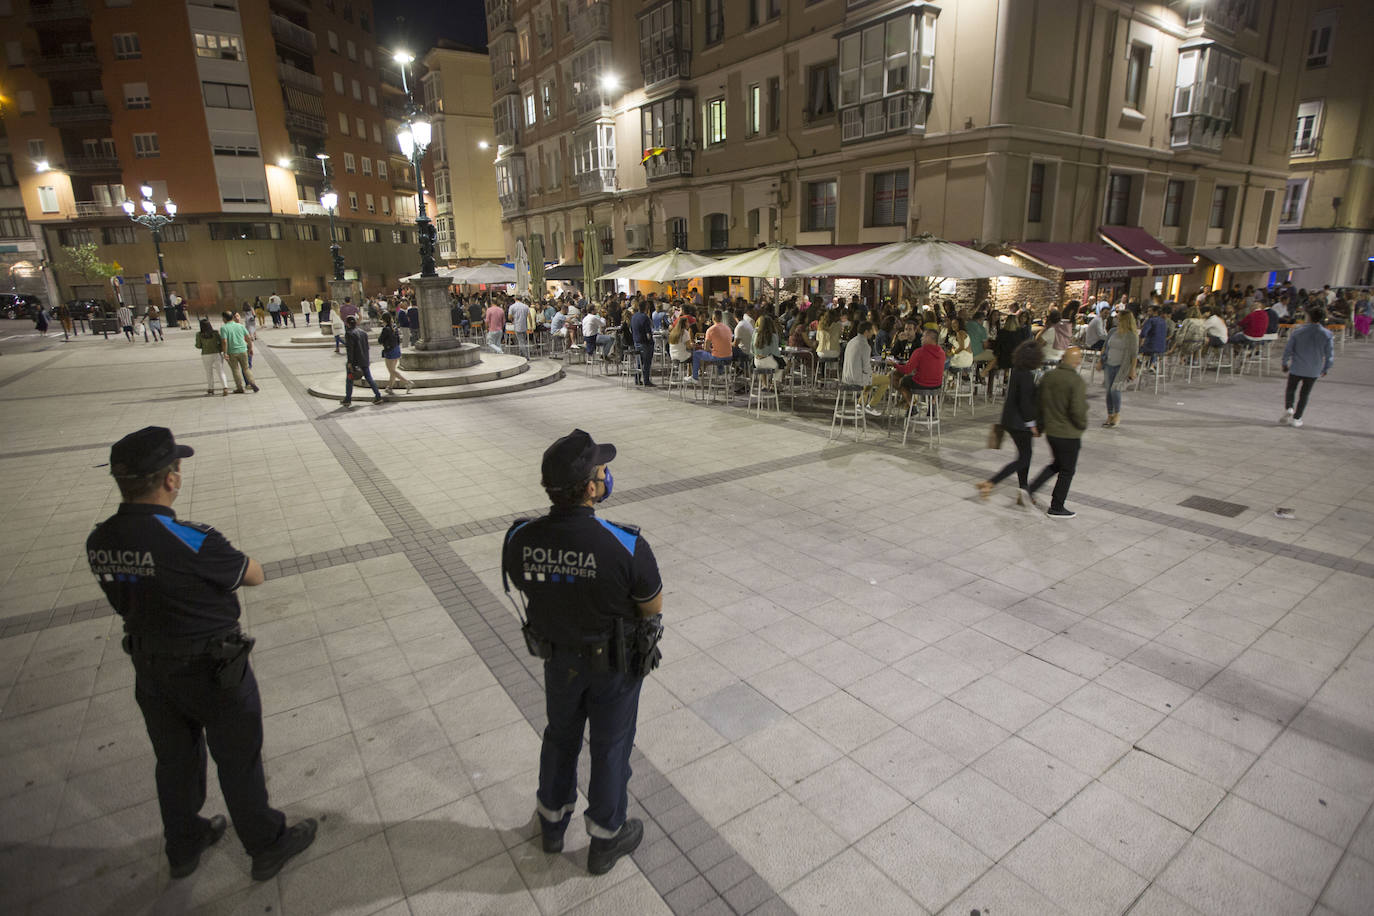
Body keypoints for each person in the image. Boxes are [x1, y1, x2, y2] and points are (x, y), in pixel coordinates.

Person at [86, 427, 317, 882]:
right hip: (213, 669)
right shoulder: (190, 538)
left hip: (151, 667)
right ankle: (266, 845)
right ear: (170, 480)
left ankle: (184, 843)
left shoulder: (100, 539)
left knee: (173, 759)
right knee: (237, 758)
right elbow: (253, 575)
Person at [501, 429, 663, 875]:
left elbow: (521, 583)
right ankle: (606, 839)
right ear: (591, 488)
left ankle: (552, 825)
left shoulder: (519, 539)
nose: (607, 476)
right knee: (610, 747)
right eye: (603, 470)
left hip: (559, 662)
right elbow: (651, 605)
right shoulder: (626, 545)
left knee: (560, 737)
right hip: (614, 667)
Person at [979, 339, 1043, 505]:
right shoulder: (1026, 375)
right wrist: (1032, 424)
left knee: (1023, 456)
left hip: (1010, 420)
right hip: (1020, 423)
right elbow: (1025, 402)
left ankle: (1023, 493)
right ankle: (991, 483)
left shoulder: (1017, 370)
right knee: (1024, 459)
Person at [1026, 346, 1088, 518]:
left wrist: (1039, 425)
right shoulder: (1076, 381)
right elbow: (1078, 410)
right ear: (1075, 361)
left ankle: (1030, 489)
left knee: (1057, 465)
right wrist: (1082, 425)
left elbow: (1039, 402)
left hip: (1052, 432)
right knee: (1067, 470)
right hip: (1068, 433)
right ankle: (1057, 506)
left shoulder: (1049, 376)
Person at [1281, 305, 1334, 428]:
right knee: (1304, 394)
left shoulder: (1298, 331)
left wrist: (1285, 362)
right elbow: (1330, 354)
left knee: (1291, 389)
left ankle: (1289, 407)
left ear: (1309, 317)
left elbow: (1288, 349)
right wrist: (1326, 367)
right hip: (1313, 369)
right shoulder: (1327, 334)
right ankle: (1297, 418)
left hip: (1297, 367)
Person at [1101, 310, 1139, 428]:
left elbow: (1134, 354)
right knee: (1108, 391)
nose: (1116, 320)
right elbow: (1105, 347)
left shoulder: (1131, 335)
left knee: (1115, 389)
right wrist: (1101, 361)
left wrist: (1132, 369)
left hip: (1122, 367)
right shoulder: (1112, 331)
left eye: (1119, 318)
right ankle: (1110, 415)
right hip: (1109, 364)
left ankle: (1117, 413)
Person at [891, 329, 945, 403]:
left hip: (922, 384)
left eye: (923, 336)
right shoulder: (942, 352)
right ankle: (932, 405)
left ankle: (912, 405)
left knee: (903, 381)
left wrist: (894, 364)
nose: (921, 338)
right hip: (937, 385)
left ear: (929, 338)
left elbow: (907, 370)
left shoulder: (920, 351)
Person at [342, 313, 383, 406]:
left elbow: (350, 349)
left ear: (347, 324)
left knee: (349, 379)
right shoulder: (363, 332)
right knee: (369, 378)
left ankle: (348, 399)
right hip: (364, 359)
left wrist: (349, 362)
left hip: (355, 362)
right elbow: (367, 347)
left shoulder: (349, 334)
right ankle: (378, 395)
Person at [841, 320, 880, 416]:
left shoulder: (851, 341)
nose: (873, 333)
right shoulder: (865, 346)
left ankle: (861, 402)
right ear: (866, 332)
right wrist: (872, 372)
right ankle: (871, 405)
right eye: (871, 331)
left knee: (872, 377)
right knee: (886, 380)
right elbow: (866, 368)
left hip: (846, 377)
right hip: (857, 379)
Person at [220, 313, 259, 393]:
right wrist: (250, 348)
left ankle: (239, 387)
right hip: (243, 350)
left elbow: (224, 341)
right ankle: (252, 383)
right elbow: (248, 337)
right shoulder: (240, 326)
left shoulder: (224, 328)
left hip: (231, 352)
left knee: (235, 370)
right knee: (246, 368)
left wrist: (225, 352)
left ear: (225, 319)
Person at [377, 313, 414, 395]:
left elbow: (380, 340)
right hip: (396, 349)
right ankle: (389, 387)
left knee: (391, 371)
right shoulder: (394, 327)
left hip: (390, 351)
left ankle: (407, 382)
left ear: (383, 320)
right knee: (393, 370)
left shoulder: (386, 329)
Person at [692, 310, 734, 380]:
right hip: (729, 357)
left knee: (696, 354)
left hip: (717, 358)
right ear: (721, 318)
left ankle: (694, 377)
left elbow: (706, 348)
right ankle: (721, 373)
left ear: (713, 318)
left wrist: (710, 349)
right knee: (718, 352)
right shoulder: (728, 328)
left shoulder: (711, 329)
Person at [195, 318, 230, 396]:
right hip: (216, 354)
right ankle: (225, 387)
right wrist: (221, 350)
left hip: (205, 355)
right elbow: (221, 343)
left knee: (208, 372)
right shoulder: (215, 333)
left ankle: (211, 389)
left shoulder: (199, 334)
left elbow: (198, 345)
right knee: (221, 371)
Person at [630, 300, 654, 386]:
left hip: (636, 341)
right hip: (645, 343)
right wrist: (650, 341)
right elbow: (648, 333)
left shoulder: (634, 316)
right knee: (647, 362)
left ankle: (637, 379)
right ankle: (646, 380)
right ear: (646, 307)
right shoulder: (645, 317)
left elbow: (631, 329)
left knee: (639, 362)